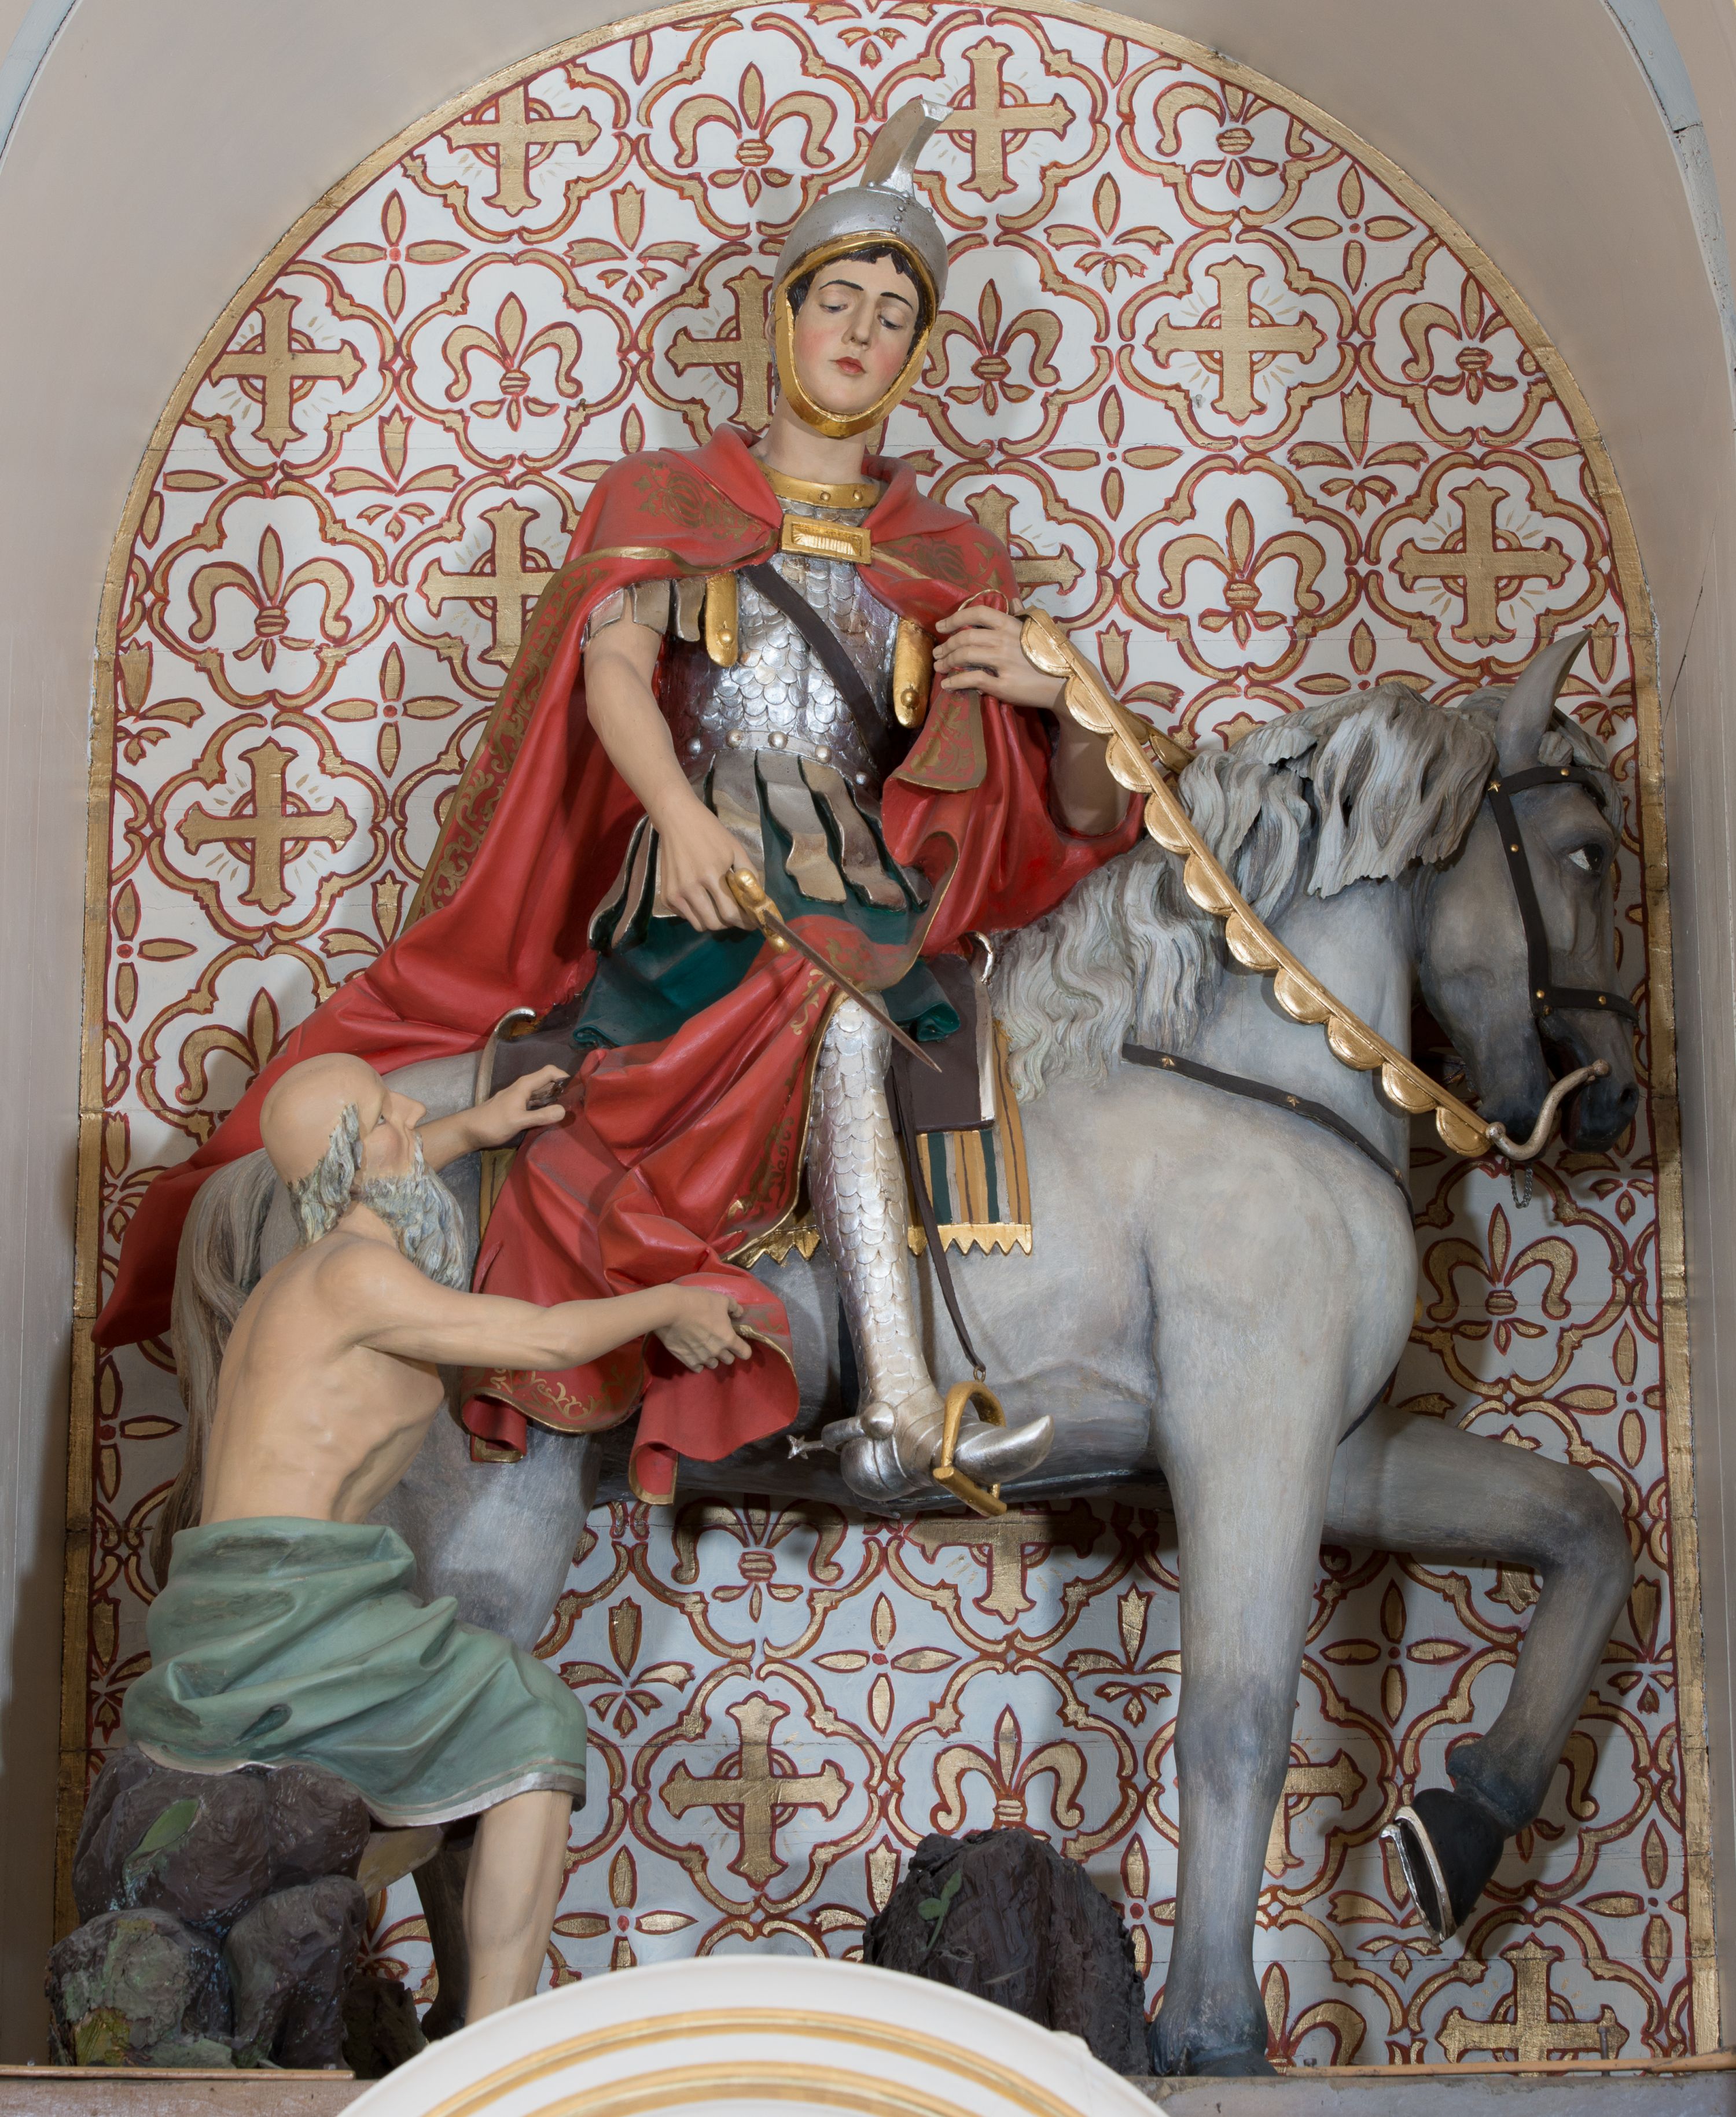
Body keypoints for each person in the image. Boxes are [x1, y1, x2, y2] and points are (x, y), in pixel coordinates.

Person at [97, 100, 1141, 1510]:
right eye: (839, 298)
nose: (862, 332)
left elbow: (1077, 818)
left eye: (896, 317)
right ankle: (899, 1408)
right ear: (784, 316)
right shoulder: (668, 495)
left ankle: (898, 1374)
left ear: (920, 354)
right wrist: (683, 818)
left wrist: (1065, 694)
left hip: (872, 880)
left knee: (884, 1002)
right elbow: (610, 674)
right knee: (851, 1004)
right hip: (713, 868)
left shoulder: (956, 555)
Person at [122, 1052, 746, 2020]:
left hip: (256, 1593)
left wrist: (481, 1127)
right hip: (286, 1616)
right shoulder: (355, 1280)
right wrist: (673, 1302)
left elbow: (381, 1175)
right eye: (386, 1113)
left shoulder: (307, 1268)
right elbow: (541, 1340)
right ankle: (491, 2045)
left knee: (504, 1702)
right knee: (534, 1716)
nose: (412, 1110)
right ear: (350, 1163)